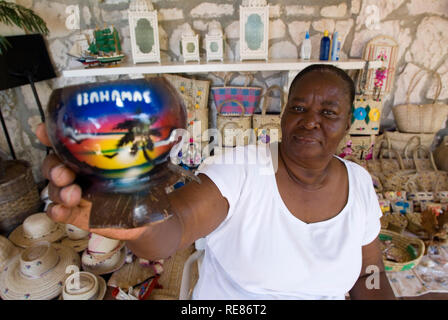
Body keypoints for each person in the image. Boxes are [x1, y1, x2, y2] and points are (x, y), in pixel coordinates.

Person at [36, 64, 396, 300]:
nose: (310, 122)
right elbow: (172, 231)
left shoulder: (359, 183)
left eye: (328, 113)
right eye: (299, 108)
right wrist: (136, 222)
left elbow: (370, 273)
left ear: (348, 123)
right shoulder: (241, 167)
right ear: (284, 114)